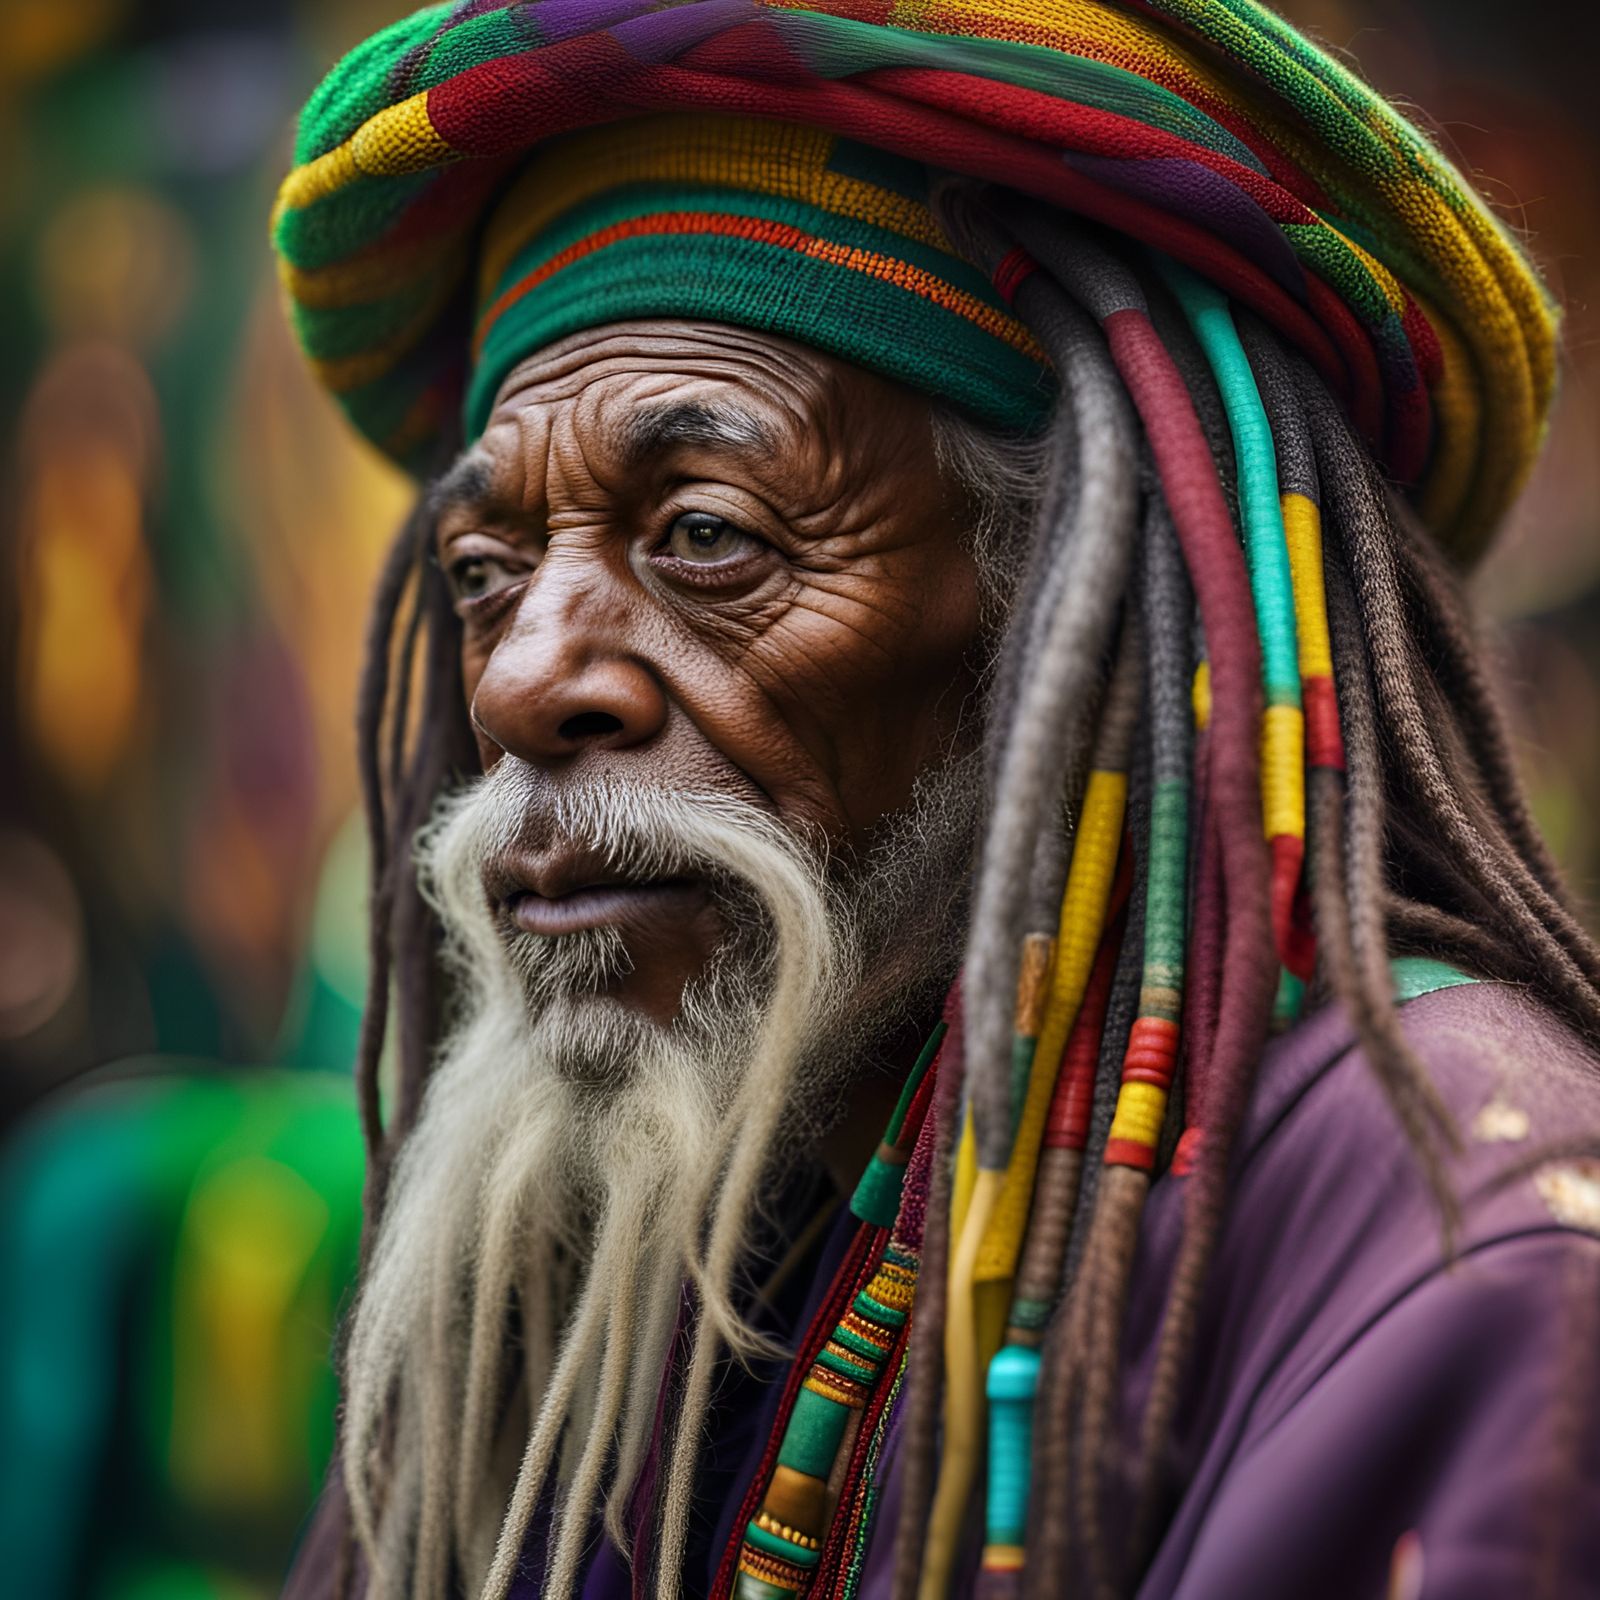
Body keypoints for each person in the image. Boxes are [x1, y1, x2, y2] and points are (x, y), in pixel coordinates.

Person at [270, 3, 1600, 1597]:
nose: (517, 682)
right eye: (487, 572)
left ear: (1064, 599)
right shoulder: (668, 1185)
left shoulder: (1453, 1226)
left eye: (705, 536)